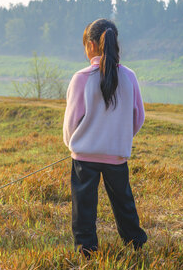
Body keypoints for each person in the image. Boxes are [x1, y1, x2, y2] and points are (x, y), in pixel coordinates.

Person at [63, 18, 147, 257]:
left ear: (90, 45)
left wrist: (74, 145)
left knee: (84, 207)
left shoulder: (81, 77)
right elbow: (138, 117)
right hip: (117, 155)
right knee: (124, 203)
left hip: (84, 156)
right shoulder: (129, 76)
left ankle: (86, 250)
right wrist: (119, 137)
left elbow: (71, 122)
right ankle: (135, 243)